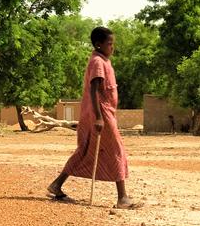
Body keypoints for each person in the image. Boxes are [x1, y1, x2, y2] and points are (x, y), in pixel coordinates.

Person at [48, 26, 139, 208]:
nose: (112, 47)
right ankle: (122, 198)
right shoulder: (97, 62)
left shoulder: (104, 61)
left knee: (85, 150)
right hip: (100, 113)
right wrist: (98, 117)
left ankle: (56, 184)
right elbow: (93, 89)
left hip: (102, 113)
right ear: (99, 45)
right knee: (116, 151)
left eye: (113, 44)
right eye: (109, 44)